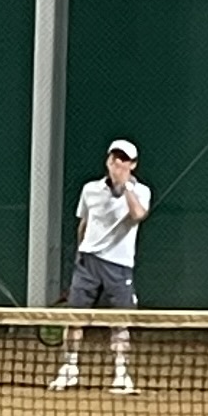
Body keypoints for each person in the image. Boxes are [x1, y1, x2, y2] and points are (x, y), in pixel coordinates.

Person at [52, 138, 150, 394]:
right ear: (108, 161)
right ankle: (69, 369)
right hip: (88, 263)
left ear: (133, 165)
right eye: (114, 158)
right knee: (75, 319)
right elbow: (84, 224)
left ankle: (121, 374)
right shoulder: (90, 190)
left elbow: (138, 215)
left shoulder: (142, 192)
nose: (118, 163)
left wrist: (125, 187)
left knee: (120, 322)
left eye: (124, 160)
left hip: (119, 266)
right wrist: (80, 254)